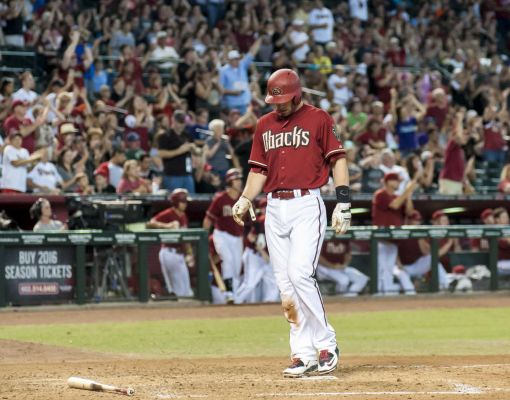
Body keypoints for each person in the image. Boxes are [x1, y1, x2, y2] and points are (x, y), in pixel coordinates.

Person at [231, 69, 351, 377]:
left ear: (297, 94)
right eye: (274, 99)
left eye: (283, 99)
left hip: (306, 203)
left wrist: (344, 201)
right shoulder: (264, 124)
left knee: (300, 274)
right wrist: (245, 198)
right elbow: (258, 170)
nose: (278, 105)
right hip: (274, 206)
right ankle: (302, 353)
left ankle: (326, 343)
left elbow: (338, 158)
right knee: (285, 285)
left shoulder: (319, 118)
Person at [203, 168, 245, 302]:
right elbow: (208, 219)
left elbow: (249, 221)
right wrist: (204, 238)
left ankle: (234, 294)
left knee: (237, 267)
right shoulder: (221, 198)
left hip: (237, 237)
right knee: (227, 260)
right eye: (236, 180)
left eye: (239, 179)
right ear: (229, 181)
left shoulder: (243, 198)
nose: (239, 182)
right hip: (221, 235)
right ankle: (229, 293)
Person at [372, 172, 417, 294]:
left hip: (393, 241)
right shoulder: (380, 194)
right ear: (388, 181)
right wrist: (407, 191)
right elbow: (395, 205)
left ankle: (385, 295)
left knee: (388, 270)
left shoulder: (398, 196)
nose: (398, 183)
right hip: (380, 239)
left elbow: (409, 212)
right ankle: (375, 295)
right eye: (396, 180)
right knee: (380, 270)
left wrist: (408, 195)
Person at [146, 188, 195, 297]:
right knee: (179, 290)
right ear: (176, 202)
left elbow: (185, 237)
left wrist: (189, 253)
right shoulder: (168, 213)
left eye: (186, 202)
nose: (185, 204)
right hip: (169, 252)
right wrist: (167, 226)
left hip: (180, 254)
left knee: (186, 290)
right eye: (183, 202)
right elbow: (150, 223)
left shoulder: (183, 216)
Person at [235, 198, 279, 304]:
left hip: (268, 256)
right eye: (265, 208)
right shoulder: (261, 221)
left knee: (272, 283)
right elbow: (252, 239)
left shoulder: (276, 220)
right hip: (255, 255)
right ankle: (235, 302)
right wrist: (264, 253)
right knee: (250, 283)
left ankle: (268, 308)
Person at [395, 210, 450, 292]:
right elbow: (394, 252)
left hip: (416, 266)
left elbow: (426, 253)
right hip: (403, 267)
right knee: (401, 274)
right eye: (415, 220)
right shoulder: (400, 231)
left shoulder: (420, 233)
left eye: (418, 220)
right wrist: (399, 264)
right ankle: (410, 295)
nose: (417, 223)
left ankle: (446, 286)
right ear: (408, 220)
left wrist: (420, 239)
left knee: (432, 259)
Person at [156, 110, 197, 193]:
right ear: (173, 120)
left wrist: (195, 150)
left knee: (191, 201)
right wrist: (179, 150)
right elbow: (161, 153)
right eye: (180, 122)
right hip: (172, 175)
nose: (182, 124)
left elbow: (194, 152)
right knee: (175, 200)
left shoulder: (187, 135)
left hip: (187, 174)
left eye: (183, 122)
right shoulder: (165, 136)